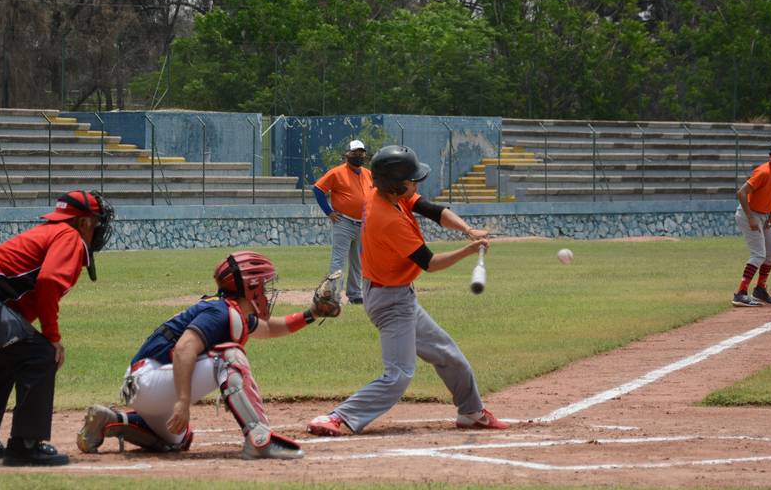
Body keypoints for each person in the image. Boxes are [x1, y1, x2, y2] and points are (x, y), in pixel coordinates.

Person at [306, 145, 509, 437]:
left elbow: (433, 211)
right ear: (396, 185)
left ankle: (471, 412)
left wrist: (468, 230)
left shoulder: (387, 196)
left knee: (448, 355)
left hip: (398, 295)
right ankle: (338, 417)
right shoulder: (388, 219)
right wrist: (469, 250)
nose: (415, 183)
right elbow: (430, 263)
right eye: (411, 179)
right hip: (390, 301)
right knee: (399, 375)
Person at [76, 250, 338, 460]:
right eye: (264, 285)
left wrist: (312, 313)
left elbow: (271, 328)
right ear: (251, 287)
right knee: (229, 356)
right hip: (151, 380)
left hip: (143, 385)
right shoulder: (221, 312)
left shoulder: (229, 311)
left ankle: (112, 421)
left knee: (177, 440)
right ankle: (259, 438)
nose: (268, 293)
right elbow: (184, 349)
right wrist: (182, 401)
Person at [0, 190, 114, 466]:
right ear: (84, 222)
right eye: (97, 222)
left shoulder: (50, 232)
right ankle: (26, 445)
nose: (98, 229)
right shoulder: (69, 236)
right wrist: (52, 338)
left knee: (4, 358)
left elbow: (16, 299)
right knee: (39, 355)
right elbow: (49, 281)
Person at [313, 139, 373, 305]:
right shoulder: (337, 172)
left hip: (363, 223)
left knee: (358, 261)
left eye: (361, 153)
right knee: (339, 260)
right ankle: (333, 295)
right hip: (344, 222)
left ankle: (355, 294)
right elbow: (318, 189)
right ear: (347, 154)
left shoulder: (368, 174)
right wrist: (329, 212)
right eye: (355, 153)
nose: (358, 156)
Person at [732, 140, 771, 307]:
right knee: (759, 254)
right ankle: (741, 293)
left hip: (764, 215)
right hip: (748, 214)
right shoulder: (764, 171)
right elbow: (742, 193)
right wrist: (751, 217)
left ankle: (760, 289)